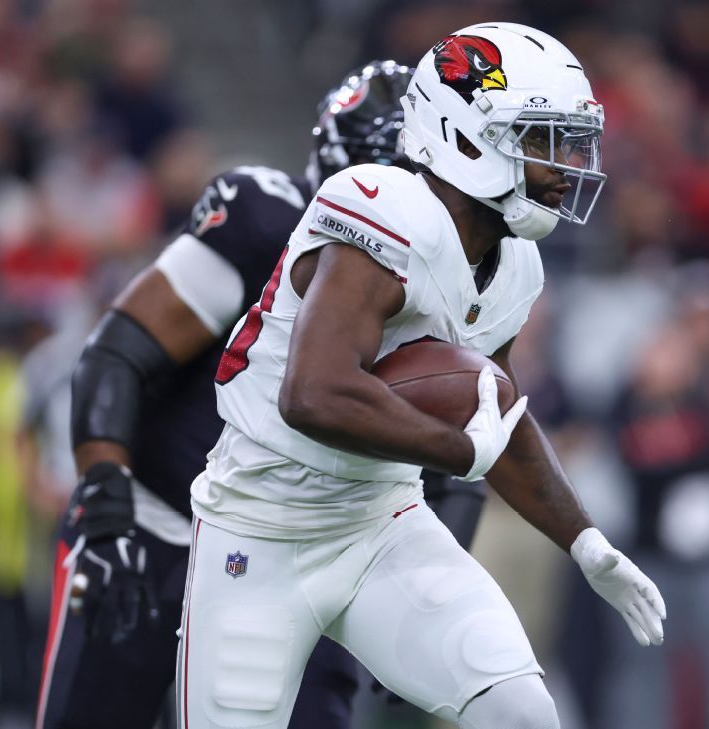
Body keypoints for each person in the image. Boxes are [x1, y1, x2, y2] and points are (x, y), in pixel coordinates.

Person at [178, 22, 666, 729]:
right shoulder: (385, 206)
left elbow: (496, 412)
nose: (565, 165)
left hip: (384, 522)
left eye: (571, 142)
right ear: (464, 135)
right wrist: (457, 451)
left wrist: (586, 542)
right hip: (261, 527)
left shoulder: (516, 262)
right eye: (540, 139)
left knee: (523, 714)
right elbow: (312, 393)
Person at [35, 61, 423, 729]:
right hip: (161, 526)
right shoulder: (265, 224)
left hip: (296, 562)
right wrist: (107, 494)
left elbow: (447, 469)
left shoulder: (453, 282)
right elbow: (116, 352)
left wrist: (412, 599)